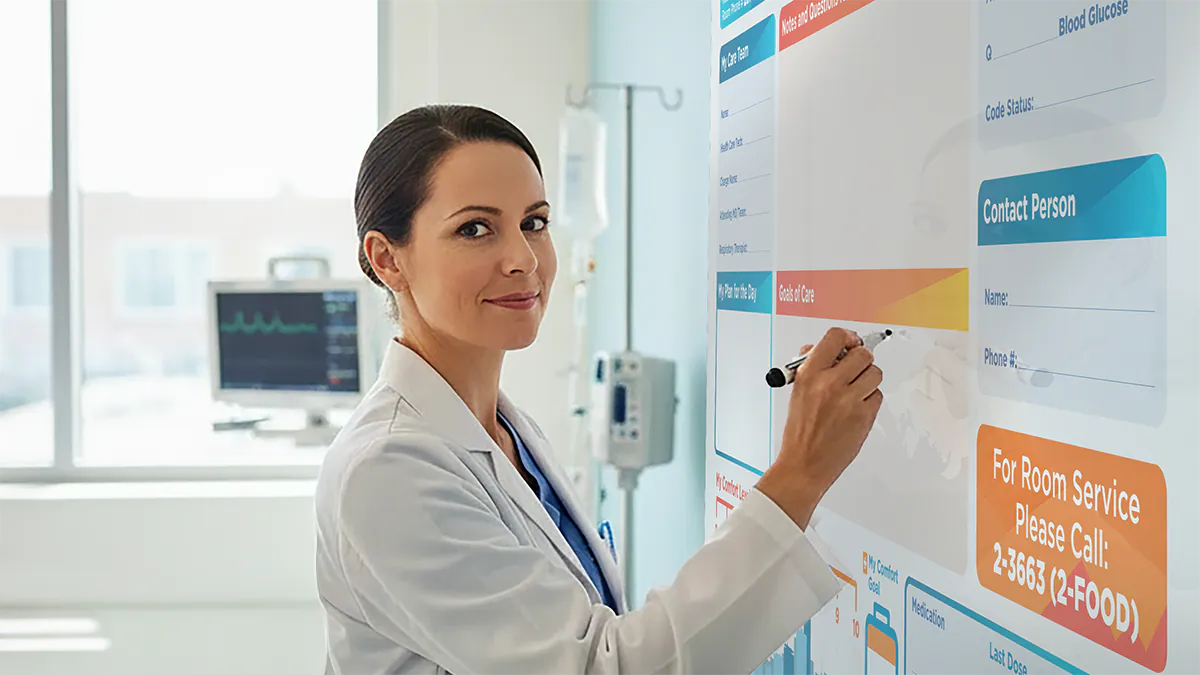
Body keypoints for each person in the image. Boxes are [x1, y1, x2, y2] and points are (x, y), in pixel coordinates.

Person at [314, 104, 884, 675]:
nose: (523, 260)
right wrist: (801, 473)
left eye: (534, 222)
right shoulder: (386, 469)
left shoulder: (502, 429)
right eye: (475, 229)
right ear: (387, 258)